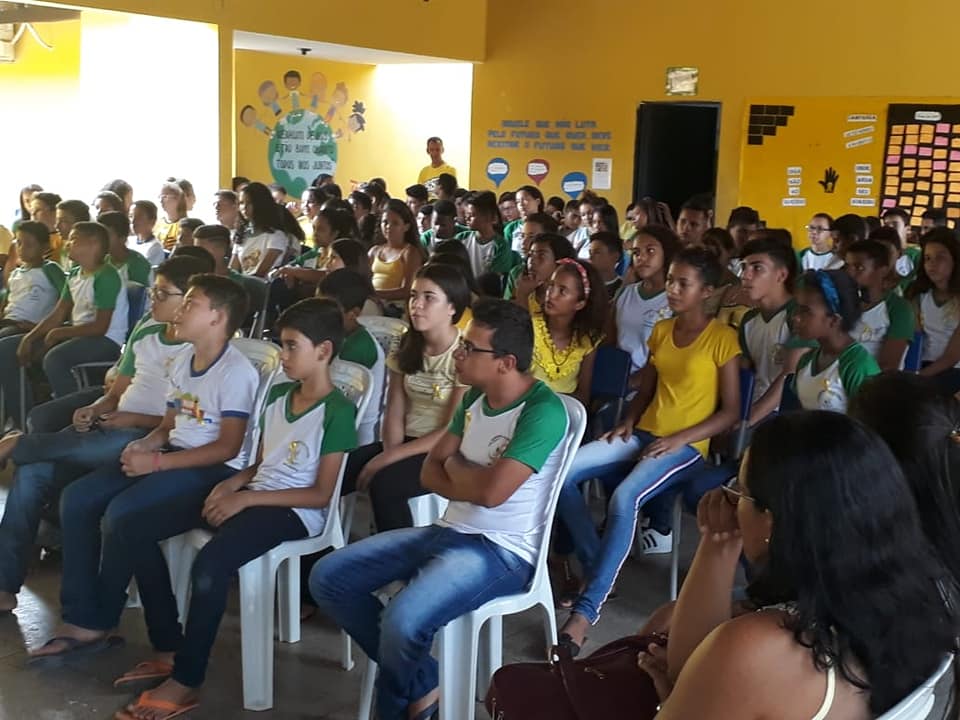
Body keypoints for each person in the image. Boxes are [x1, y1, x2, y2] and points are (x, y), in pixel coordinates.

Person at [310, 299, 569, 720]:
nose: (458, 355)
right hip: (448, 530)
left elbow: (492, 494)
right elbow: (430, 472)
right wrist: (470, 478)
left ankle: (397, 707)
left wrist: (459, 470)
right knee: (329, 577)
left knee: (402, 621)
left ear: (505, 363)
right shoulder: (474, 398)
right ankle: (424, 682)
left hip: (502, 551)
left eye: (470, 348)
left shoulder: (543, 411)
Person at [111, 298, 357, 719]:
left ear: (324, 351)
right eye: (281, 344)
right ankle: (169, 645)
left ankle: (187, 679)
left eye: (292, 346)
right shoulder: (278, 395)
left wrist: (247, 497)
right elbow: (263, 463)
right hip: (255, 494)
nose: (283, 356)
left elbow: (320, 494)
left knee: (210, 566)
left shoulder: (338, 411)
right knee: (132, 528)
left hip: (294, 512)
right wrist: (232, 483)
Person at [640, 411, 958, 719]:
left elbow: (686, 673)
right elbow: (689, 669)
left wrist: (671, 703)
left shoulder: (755, 647)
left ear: (772, 522)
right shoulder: (917, 604)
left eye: (741, 490)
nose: (731, 500)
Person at [30, 274, 258, 662]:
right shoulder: (184, 360)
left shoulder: (235, 371)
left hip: (212, 471)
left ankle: (119, 625)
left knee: (124, 516)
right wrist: (145, 444)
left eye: (191, 303)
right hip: (173, 454)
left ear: (217, 317)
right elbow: (169, 424)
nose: (180, 310)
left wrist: (157, 462)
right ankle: (83, 614)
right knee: (78, 498)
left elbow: (228, 448)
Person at [556, 247, 741, 652]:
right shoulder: (662, 330)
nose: (672, 289)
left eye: (682, 284)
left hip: (687, 447)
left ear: (707, 291)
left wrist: (681, 438)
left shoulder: (722, 338)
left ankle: (586, 612)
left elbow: (730, 412)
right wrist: (628, 420)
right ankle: (597, 565)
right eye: (671, 281)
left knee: (625, 498)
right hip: (644, 432)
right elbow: (648, 388)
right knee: (562, 473)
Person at [0, 256, 208, 613]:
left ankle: (17, 444)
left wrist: (129, 418)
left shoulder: (196, 349)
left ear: (189, 302)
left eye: (163, 294)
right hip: (114, 421)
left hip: (148, 436)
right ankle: (5, 585)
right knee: (32, 473)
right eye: (154, 291)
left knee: (103, 443)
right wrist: (96, 408)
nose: (153, 299)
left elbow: (179, 421)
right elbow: (116, 391)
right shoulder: (147, 331)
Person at [340, 264, 469, 531]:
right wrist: (390, 451)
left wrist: (389, 458)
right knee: (337, 471)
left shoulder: (463, 354)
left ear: (452, 307)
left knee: (386, 484)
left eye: (429, 298)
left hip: (444, 449)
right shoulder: (405, 343)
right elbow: (395, 408)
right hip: (404, 441)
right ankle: (322, 544)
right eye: (413, 296)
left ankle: (398, 552)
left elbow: (450, 429)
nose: (416, 305)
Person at [5, 222, 129, 425]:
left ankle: (70, 418)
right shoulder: (74, 273)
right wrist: (30, 337)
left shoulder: (106, 276)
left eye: (74, 239)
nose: (67, 243)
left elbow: (100, 327)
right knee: (7, 347)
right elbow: (58, 313)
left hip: (105, 340)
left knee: (55, 358)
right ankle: (22, 418)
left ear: (93, 244)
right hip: (79, 334)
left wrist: (59, 333)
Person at [737, 236, 808, 423]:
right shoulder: (748, 320)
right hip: (753, 407)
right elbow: (744, 374)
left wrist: (746, 421)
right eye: (744, 267)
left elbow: (789, 376)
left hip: (786, 415)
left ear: (781, 275)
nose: (745, 275)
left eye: (757, 268)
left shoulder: (800, 315)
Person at [788, 269, 879, 411]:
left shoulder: (858, 366)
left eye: (805, 311)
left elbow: (870, 421)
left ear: (834, 320)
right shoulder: (806, 361)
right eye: (797, 308)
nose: (796, 317)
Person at [608, 225, 680, 386]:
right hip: (617, 379)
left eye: (650, 251)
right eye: (636, 253)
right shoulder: (626, 293)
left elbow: (669, 356)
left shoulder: (675, 300)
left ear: (666, 253)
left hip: (653, 384)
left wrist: (633, 383)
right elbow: (610, 340)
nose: (641, 257)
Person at [318, 269, 385, 444]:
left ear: (353, 314)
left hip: (358, 438)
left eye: (329, 310)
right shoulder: (338, 336)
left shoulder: (358, 348)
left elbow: (330, 400)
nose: (320, 316)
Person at [531, 258, 605, 407]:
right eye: (551, 286)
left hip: (564, 411)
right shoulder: (529, 327)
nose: (551, 294)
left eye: (562, 291)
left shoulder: (586, 342)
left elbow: (583, 396)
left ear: (579, 304)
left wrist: (552, 405)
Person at [845, 238, 915, 370]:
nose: (850, 273)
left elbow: (888, 366)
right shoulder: (841, 303)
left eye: (859, 268)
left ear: (882, 271)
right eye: (847, 267)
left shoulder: (898, 309)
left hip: (874, 379)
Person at [908, 227, 960, 393]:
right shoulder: (920, 296)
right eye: (927, 258)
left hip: (953, 370)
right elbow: (915, 339)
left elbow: (952, 356)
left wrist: (918, 376)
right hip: (923, 364)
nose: (932, 264)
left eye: (940, 257)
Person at [0, 222, 64, 340]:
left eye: (29, 245)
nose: (22, 248)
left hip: (29, 327)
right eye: (19, 243)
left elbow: (67, 299)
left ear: (45, 247)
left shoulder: (50, 269)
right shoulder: (15, 274)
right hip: (9, 322)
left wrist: (43, 327)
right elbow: (5, 304)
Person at [369, 199, 425, 314]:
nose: (388, 226)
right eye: (385, 222)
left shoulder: (410, 253)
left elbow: (407, 290)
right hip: (373, 302)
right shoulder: (374, 251)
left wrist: (375, 294)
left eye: (395, 223)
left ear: (406, 227)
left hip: (396, 308)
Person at [231, 182, 289, 278]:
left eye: (249, 203)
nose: (244, 207)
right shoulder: (241, 235)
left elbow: (261, 273)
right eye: (241, 203)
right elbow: (233, 269)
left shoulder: (276, 236)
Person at [511, 232, 575, 315]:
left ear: (559, 261)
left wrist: (522, 296)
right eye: (530, 255)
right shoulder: (523, 288)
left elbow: (522, 322)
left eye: (541, 256)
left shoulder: (564, 300)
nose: (531, 261)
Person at [455, 190, 514, 277]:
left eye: (471, 215)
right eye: (466, 215)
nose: (467, 218)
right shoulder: (461, 238)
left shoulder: (501, 246)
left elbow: (494, 279)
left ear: (488, 216)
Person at [503, 212, 560, 301]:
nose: (523, 242)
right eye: (522, 236)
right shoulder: (517, 273)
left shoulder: (565, 274)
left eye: (531, 237)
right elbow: (507, 307)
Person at [99, 211, 152, 286]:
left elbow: (140, 292)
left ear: (122, 238)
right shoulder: (103, 261)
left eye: (106, 235)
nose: (101, 240)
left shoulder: (137, 265)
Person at [503, 185, 545, 254]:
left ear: (538, 201)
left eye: (525, 200)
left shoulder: (549, 224)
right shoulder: (511, 228)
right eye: (518, 201)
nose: (521, 204)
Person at [128, 200, 166, 267]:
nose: (133, 221)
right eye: (131, 216)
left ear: (152, 221)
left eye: (139, 217)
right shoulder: (128, 241)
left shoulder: (155, 248)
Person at [588, 231, 625, 297]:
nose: (590, 257)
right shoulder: (584, 284)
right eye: (590, 253)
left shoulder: (624, 289)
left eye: (597, 252)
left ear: (615, 256)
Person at [156, 182, 187, 252]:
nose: (161, 201)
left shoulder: (185, 226)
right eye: (160, 197)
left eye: (165, 197)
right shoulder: (157, 223)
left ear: (177, 199)